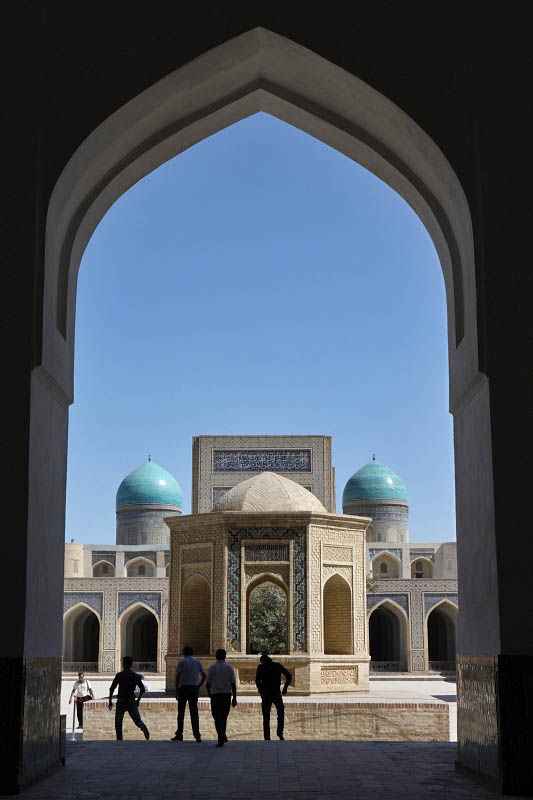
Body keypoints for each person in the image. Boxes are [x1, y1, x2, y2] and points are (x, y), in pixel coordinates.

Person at [108, 655, 150, 740]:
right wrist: (138, 700)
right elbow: (142, 689)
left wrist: (110, 701)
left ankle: (119, 739)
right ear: (131, 664)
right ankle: (143, 726)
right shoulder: (135, 676)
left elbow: (112, 688)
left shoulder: (119, 675)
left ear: (123, 664)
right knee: (137, 720)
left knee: (118, 722)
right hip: (131, 700)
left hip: (121, 700)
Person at [171, 646, 206, 742]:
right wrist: (198, 686)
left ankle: (179, 734)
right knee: (194, 712)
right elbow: (204, 676)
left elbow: (178, 677)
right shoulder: (197, 662)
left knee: (181, 713)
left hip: (183, 688)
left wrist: (177, 690)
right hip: (193, 688)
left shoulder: (181, 662)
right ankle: (197, 735)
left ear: (184, 653)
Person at [255, 652, 291, 740]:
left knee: (266, 716)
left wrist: (261, 691)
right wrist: (285, 688)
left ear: (262, 661)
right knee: (280, 713)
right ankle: (280, 733)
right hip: (276, 693)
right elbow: (288, 675)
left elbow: (257, 681)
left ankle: (267, 737)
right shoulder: (277, 666)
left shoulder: (261, 667)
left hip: (266, 694)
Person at [206, 648, 237, 747]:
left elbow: (208, 683)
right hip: (226, 695)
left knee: (216, 717)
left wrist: (209, 694)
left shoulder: (212, 668)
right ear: (225, 656)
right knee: (223, 717)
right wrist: (234, 697)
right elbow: (233, 684)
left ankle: (221, 737)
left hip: (215, 695)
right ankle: (222, 735)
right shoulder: (229, 668)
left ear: (216, 656)